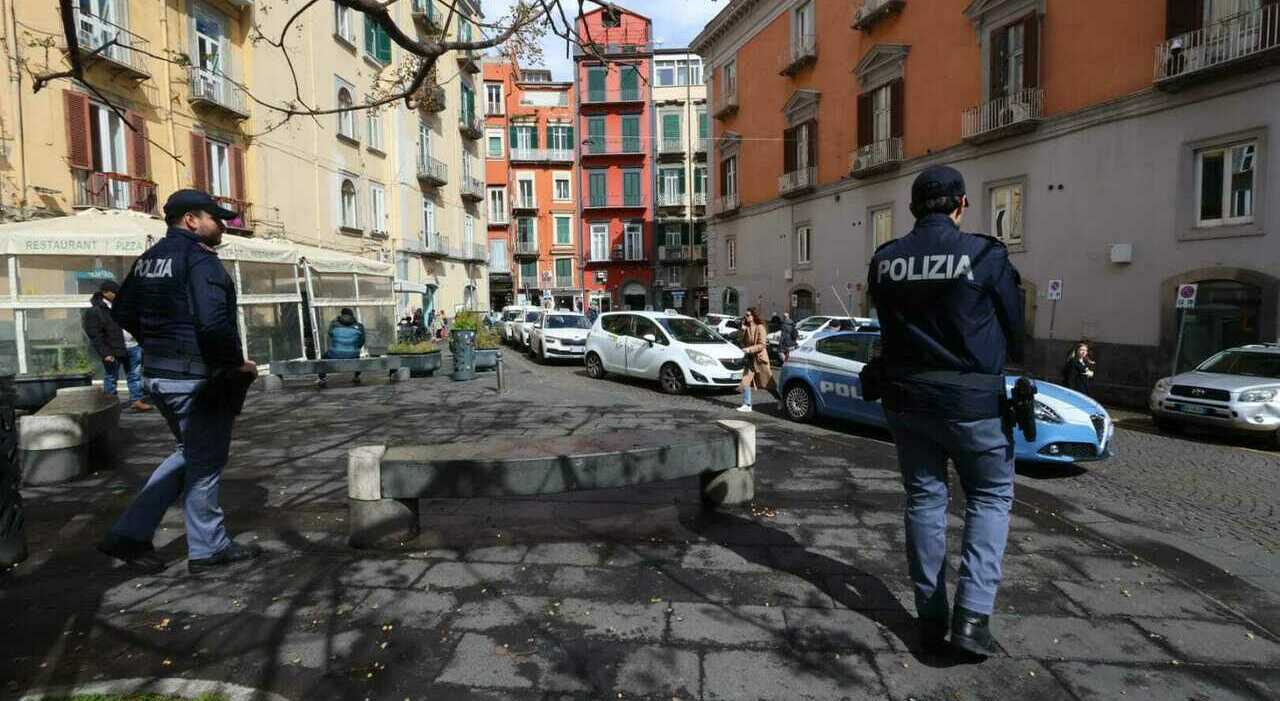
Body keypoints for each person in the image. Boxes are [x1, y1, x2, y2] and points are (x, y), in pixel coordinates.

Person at [867, 165, 1025, 658]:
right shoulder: (985, 253)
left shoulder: (886, 259)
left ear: (914, 209)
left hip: (908, 401)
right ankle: (972, 621)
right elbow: (1017, 331)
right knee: (991, 497)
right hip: (975, 402)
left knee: (924, 499)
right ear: (960, 206)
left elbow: (888, 327)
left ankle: (931, 617)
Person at [98, 189, 261, 574]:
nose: (223, 225)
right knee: (204, 464)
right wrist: (235, 366)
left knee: (189, 454)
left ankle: (129, 534)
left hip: (159, 376)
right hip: (196, 380)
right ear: (191, 220)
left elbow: (122, 310)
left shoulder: (149, 260)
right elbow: (213, 323)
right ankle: (208, 549)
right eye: (215, 218)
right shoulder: (199, 261)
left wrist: (158, 343)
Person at [82, 280, 152, 412]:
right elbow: (95, 334)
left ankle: (136, 400)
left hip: (133, 346)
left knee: (134, 375)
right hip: (112, 349)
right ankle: (110, 404)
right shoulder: (96, 311)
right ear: (105, 293)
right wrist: (105, 353)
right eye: (114, 292)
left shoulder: (122, 305)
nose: (117, 295)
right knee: (111, 376)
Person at [736, 307, 779, 412]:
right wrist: (742, 331)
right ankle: (747, 404)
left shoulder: (760, 327)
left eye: (748, 315)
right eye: (745, 315)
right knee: (746, 380)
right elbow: (741, 342)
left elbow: (762, 345)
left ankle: (780, 399)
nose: (746, 317)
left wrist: (749, 349)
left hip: (760, 360)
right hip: (750, 359)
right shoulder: (746, 328)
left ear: (753, 316)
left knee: (768, 384)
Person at [317, 307, 366, 386]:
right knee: (357, 356)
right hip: (353, 354)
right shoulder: (359, 326)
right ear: (352, 316)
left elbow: (330, 334)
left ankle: (322, 378)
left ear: (342, 315)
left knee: (323, 358)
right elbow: (362, 341)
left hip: (335, 353)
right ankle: (356, 376)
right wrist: (356, 348)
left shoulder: (334, 324)